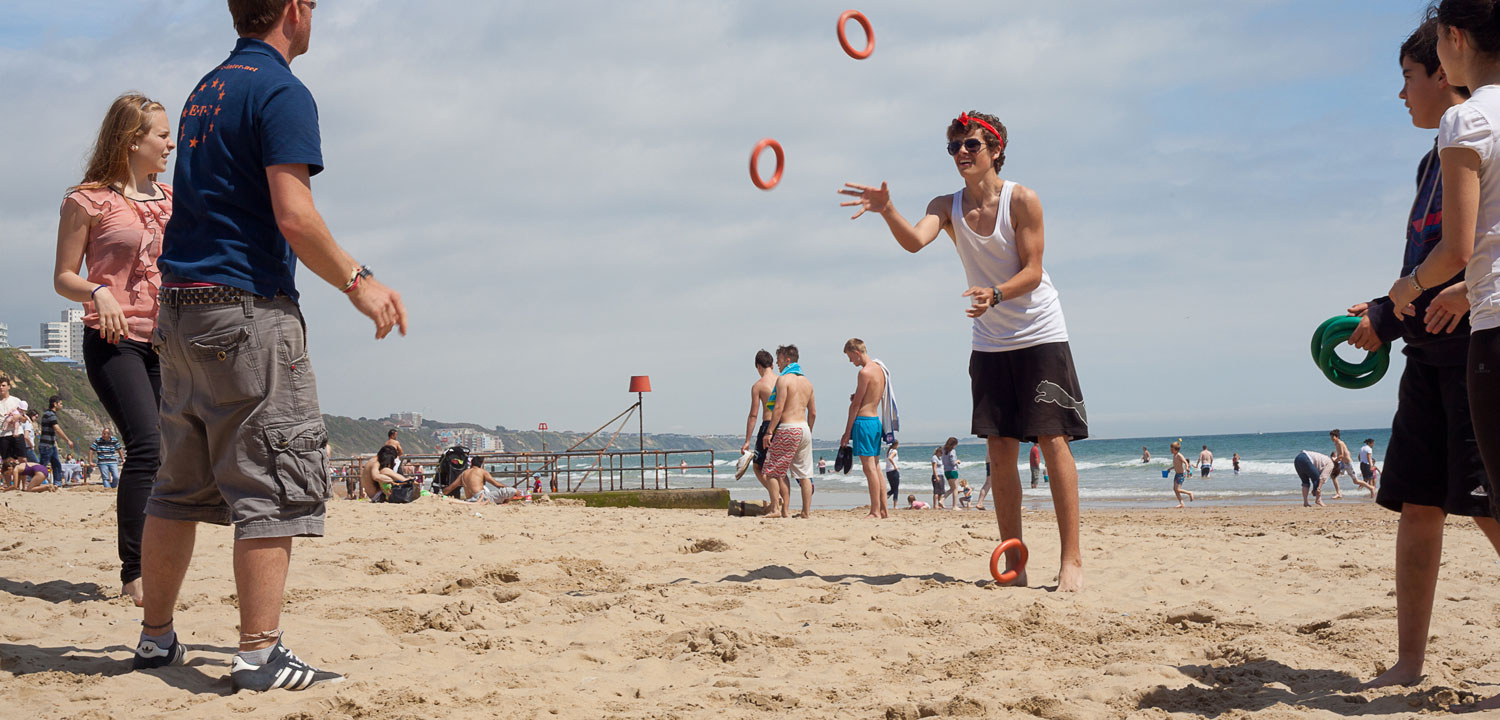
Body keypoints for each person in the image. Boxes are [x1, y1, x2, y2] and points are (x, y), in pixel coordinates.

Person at [132, 0, 407, 692]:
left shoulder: (207, 88)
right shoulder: (280, 89)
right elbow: (294, 213)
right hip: (245, 308)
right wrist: (358, 281)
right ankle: (259, 655)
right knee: (271, 484)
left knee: (177, 486)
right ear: (293, 9)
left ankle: (155, 639)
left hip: (181, 307)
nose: (316, 16)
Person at [842, 110, 1088, 590]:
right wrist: (887, 209)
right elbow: (915, 241)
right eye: (954, 147)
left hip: (1039, 332)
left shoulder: (1023, 199)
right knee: (1000, 447)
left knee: (1052, 441)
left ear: (995, 149)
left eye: (971, 145)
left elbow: (1034, 271)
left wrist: (994, 293)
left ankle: (1072, 560)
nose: (961, 154)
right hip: (990, 340)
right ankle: (1014, 560)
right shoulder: (947, 205)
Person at [1355, 15, 1500, 694]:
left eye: (1409, 78)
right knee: (1417, 504)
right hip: (1426, 353)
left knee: (1489, 507)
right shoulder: (1430, 160)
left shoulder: (1477, 129)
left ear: (1445, 67)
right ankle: (1410, 663)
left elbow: (1464, 252)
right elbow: (1422, 257)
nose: (1404, 94)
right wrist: (1386, 314)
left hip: (1475, 345)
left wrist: (1406, 303)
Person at [54, 92, 175, 606]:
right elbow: (64, 276)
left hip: (168, 342)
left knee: (166, 454)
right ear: (133, 140)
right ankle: (135, 573)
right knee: (146, 447)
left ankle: (157, 561)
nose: (172, 143)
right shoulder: (85, 199)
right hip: (113, 340)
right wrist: (97, 290)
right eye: (162, 135)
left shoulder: (173, 199)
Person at [762, 345, 817, 519]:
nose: (776, 362)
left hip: (788, 427)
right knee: (805, 474)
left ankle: (777, 509)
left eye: (778, 358)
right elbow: (813, 412)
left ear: (787, 359)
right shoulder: (808, 383)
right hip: (804, 428)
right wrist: (808, 429)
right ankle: (805, 512)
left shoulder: (784, 379)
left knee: (772, 470)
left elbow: (778, 408)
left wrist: (769, 431)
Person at [840, 339, 889, 519]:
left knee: (869, 469)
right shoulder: (880, 370)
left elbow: (856, 406)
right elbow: (872, 394)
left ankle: (875, 511)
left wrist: (847, 432)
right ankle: (883, 510)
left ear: (857, 353)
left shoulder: (864, 372)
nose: (851, 361)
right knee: (876, 467)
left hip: (864, 421)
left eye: (850, 357)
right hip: (876, 421)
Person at [741, 350, 780, 514]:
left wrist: (747, 440)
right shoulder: (782, 381)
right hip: (784, 425)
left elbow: (753, 415)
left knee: (759, 466)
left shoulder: (758, 385)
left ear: (758, 366)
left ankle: (776, 499)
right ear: (772, 364)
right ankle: (780, 504)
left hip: (767, 424)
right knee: (779, 469)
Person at [443, 456, 519, 504]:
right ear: (481, 464)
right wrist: (512, 489)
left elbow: (450, 488)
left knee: (505, 493)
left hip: (470, 500)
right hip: (481, 497)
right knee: (512, 491)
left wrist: (440, 495)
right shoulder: (482, 471)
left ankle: (503, 503)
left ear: (471, 463)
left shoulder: (463, 474)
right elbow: (497, 485)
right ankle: (505, 504)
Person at [36, 396, 75, 484]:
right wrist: (68, 440)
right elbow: (57, 428)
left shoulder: (50, 414)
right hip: (46, 445)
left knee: (57, 464)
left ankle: (58, 483)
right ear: (55, 404)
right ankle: (37, 482)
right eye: (60, 403)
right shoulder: (50, 414)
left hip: (51, 445)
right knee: (43, 465)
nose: (61, 405)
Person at [0, 378, 28, 468]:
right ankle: (8, 482)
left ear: (9, 387)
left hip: (17, 433)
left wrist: (18, 416)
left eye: (3, 385)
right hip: (3, 434)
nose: (1, 388)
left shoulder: (16, 401)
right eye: (0, 386)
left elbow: (24, 419)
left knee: (23, 459)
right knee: (6, 462)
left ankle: (23, 482)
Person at [1170, 441, 1194, 508]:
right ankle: (1181, 503)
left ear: (1176, 449)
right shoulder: (1174, 456)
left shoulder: (1179, 455)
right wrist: (1170, 469)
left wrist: (1187, 467)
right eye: (1170, 449)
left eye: (1172, 449)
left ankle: (1190, 493)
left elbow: (1185, 462)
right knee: (1175, 489)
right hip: (1177, 474)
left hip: (1181, 474)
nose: (1171, 450)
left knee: (1177, 489)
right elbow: (1176, 465)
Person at [940, 437, 961, 510]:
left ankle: (942, 499)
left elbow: (943, 461)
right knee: (955, 488)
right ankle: (955, 505)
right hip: (953, 471)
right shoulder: (952, 451)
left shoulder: (943, 450)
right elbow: (952, 462)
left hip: (946, 471)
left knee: (952, 488)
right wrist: (957, 461)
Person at [884, 440, 901, 507]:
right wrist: (895, 466)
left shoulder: (889, 451)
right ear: (896, 445)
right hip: (893, 471)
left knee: (893, 489)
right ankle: (895, 506)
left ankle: (883, 499)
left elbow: (889, 457)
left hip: (888, 471)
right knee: (896, 489)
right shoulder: (894, 451)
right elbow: (890, 458)